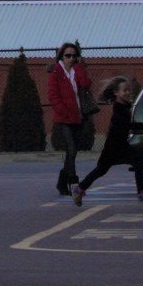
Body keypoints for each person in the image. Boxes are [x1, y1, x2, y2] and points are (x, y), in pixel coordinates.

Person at [74, 77, 143, 203]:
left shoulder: (124, 106)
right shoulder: (119, 110)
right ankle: (79, 189)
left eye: (128, 90)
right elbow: (129, 126)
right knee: (100, 170)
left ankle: (141, 192)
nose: (128, 92)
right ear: (116, 93)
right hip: (113, 148)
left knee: (137, 163)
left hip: (121, 145)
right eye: (124, 90)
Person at [47, 41, 92, 205]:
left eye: (74, 55)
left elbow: (86, 84)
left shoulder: (77, 70)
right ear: (61, 56)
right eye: (68, 55)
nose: (71, 59)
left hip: (78, 117)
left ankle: (61, 183)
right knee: (71, 150)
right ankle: (74, 183)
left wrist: (79, 68)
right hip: (64, 118)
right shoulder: (55, 73)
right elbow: (52, 95)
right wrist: (63, 110)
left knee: (71, 153)